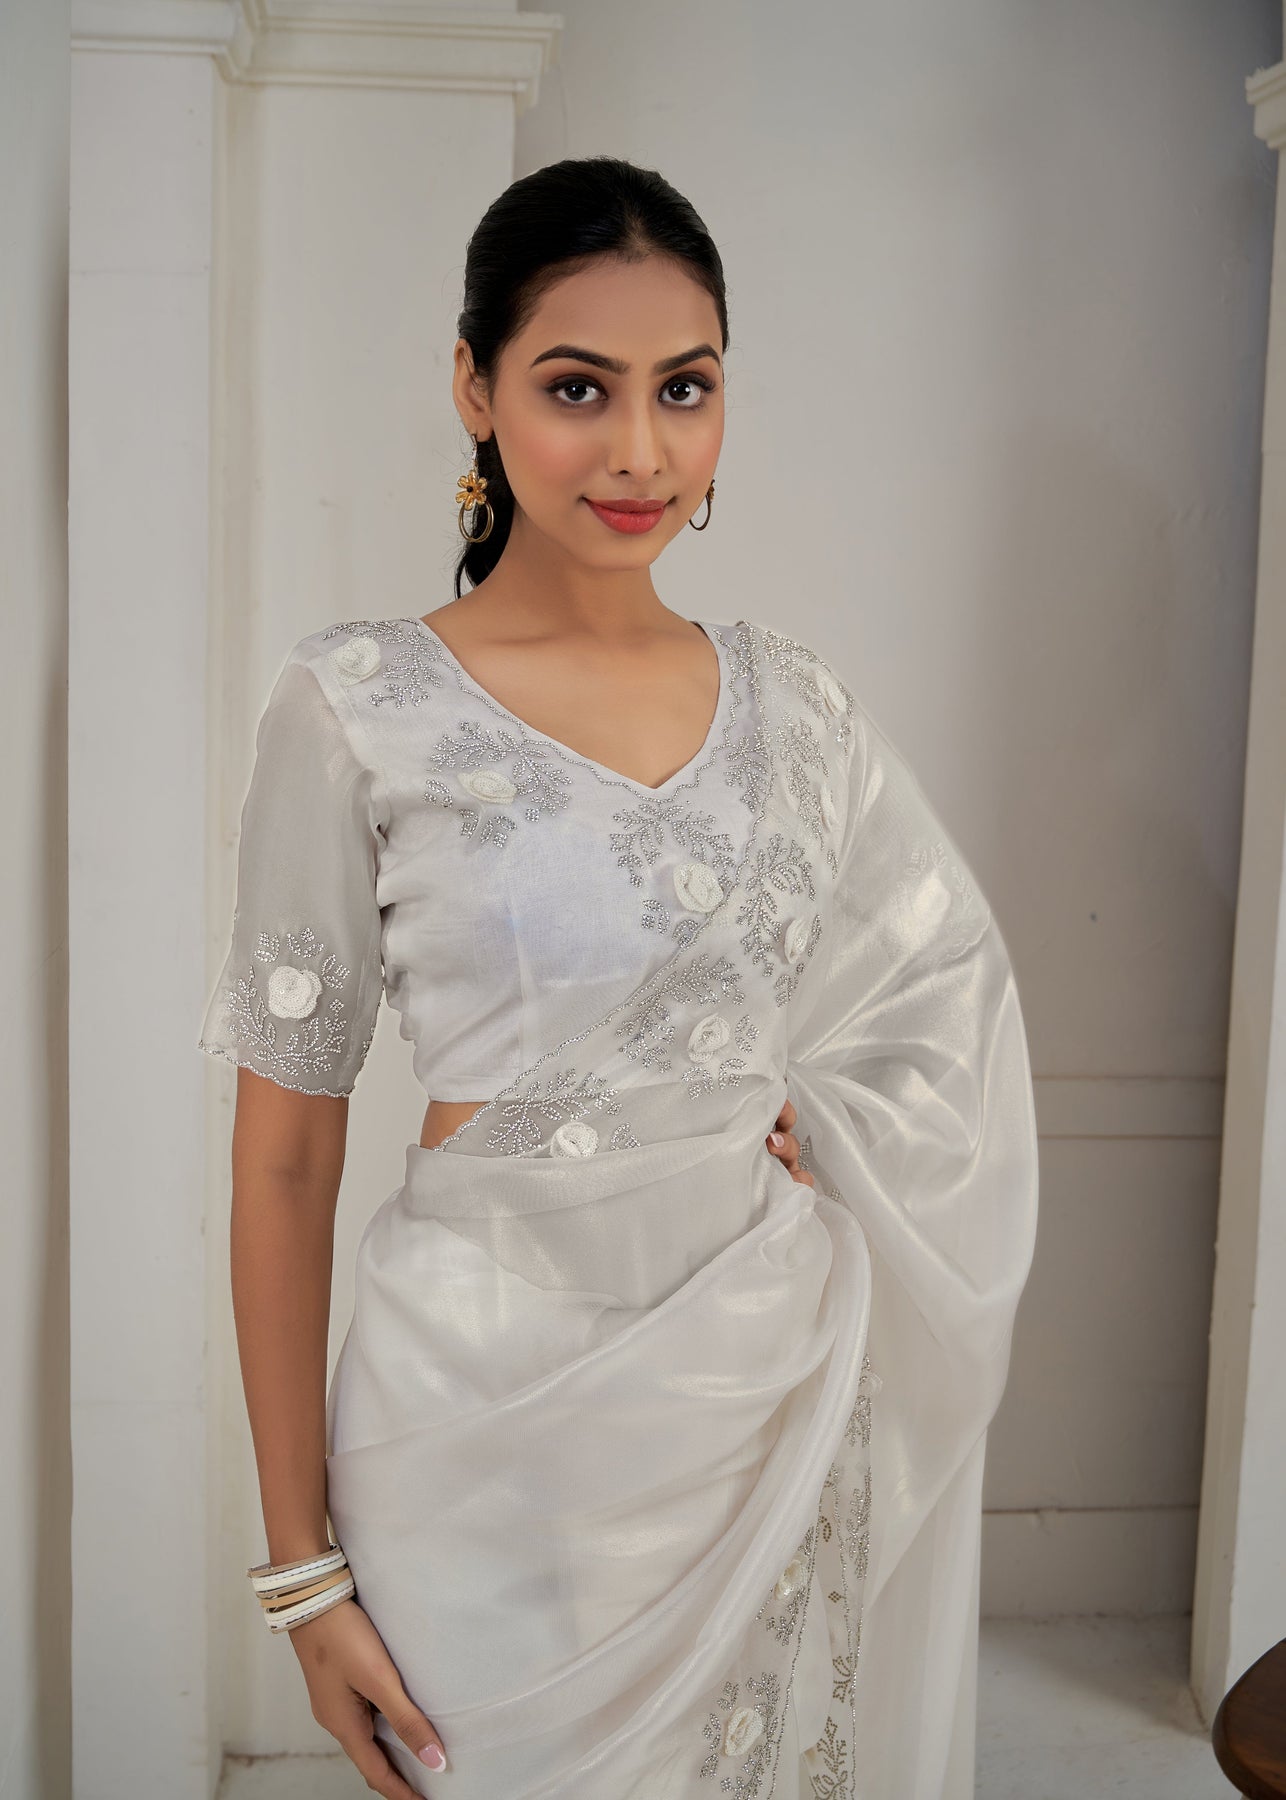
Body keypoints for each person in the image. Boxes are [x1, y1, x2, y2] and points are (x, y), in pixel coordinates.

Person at [197, 155, 1039, 1800]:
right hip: (474, 1426)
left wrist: (820, 1120)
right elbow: (283, 1155)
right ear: (475, 387)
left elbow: (935, 991)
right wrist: (301, 1576)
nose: (639, 450)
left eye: (685, 388)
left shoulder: (798, 710)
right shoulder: (359, 705)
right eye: (578, 387)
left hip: (756, 1400)